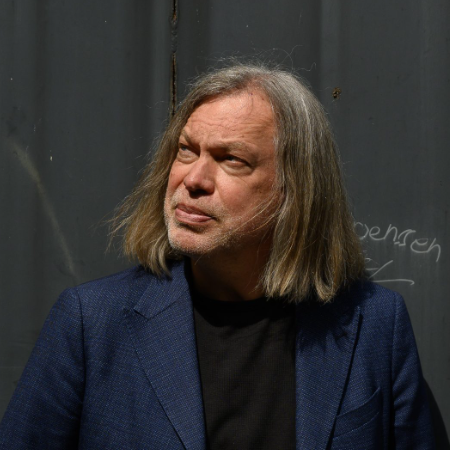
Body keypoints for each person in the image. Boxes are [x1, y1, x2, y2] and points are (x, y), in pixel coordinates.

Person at [0, 63, 435, 449]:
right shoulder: (91, 324)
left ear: (297, 189)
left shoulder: (374, 325)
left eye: (231, 159)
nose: (193, 179)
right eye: (186, 150)